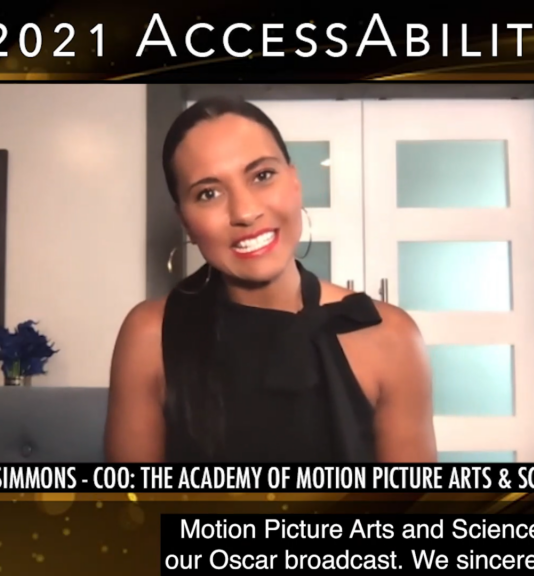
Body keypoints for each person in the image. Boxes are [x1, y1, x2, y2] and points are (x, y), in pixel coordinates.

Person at [105, 97, 438, 463]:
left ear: (294, 181)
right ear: (186, 221)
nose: (246, 212)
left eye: (262, 175)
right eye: (208, 193)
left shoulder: (390, 335)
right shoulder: (149, 336)